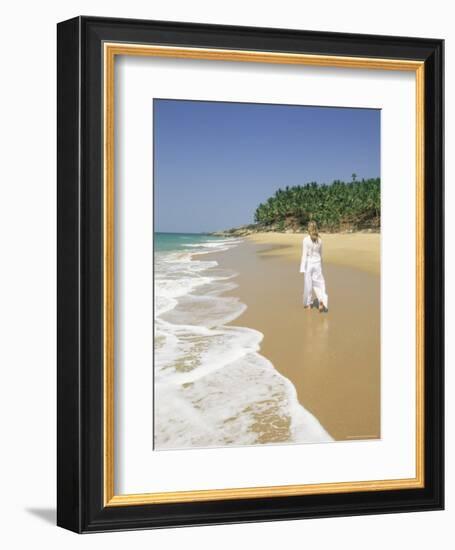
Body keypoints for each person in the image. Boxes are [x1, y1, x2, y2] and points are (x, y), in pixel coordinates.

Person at [300, 221, 328, 312]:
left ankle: (308, 304)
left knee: (308, 284)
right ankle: (321, 300)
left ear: (309, 228)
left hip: (309, 264)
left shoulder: (306, 240)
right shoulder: (320, 240)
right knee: (319, 283)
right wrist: (320, 264)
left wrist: (302, 268)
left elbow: (304, 255)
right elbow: (321, 254)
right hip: (317, 263)